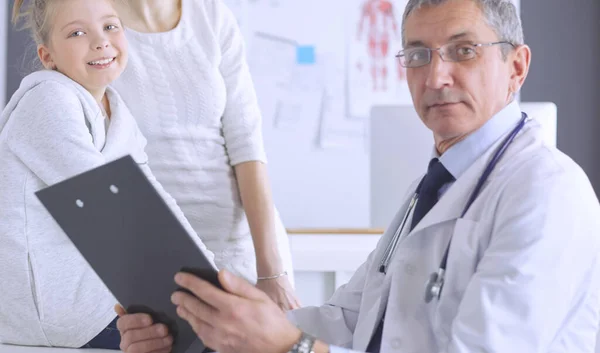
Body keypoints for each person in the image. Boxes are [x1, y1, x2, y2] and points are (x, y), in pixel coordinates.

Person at [116, 0, 600, 352]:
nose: (435, 78)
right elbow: (349, 319)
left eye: (463, 50)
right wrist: (206, 331)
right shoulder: (432, 188)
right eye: (417, 55)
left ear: (516, 67)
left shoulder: (547, 194)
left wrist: (292, 349)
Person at [0, 0, 214, 349]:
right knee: (201, 336)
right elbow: (112, 208)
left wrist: (212, 277)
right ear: (47, 56)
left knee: (217, 331)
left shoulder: (117, 112)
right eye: (77, 32)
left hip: (94, 297)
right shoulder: (47, 101)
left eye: (110, 26)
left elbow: (156, 199)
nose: (100, 41)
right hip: (50, 312)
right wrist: (203, 298)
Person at [109, 0, 300, 310]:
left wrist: (272, 273)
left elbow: (247, 144)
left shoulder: (211, 16)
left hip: (244, 254)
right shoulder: (91, 21)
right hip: (151, 256)